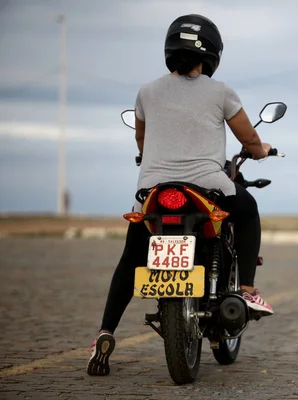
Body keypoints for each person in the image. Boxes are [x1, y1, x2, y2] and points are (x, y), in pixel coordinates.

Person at [86, 14, 274, 377]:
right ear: (212, 53)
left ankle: (104, 332)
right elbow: (248, 140)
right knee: (248, 209)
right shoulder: (220, 92)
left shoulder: (146, 92)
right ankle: (248, 289)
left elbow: (142, 141)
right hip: (207, 186)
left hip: (153, 190)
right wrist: (262, 149)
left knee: (130, 257)